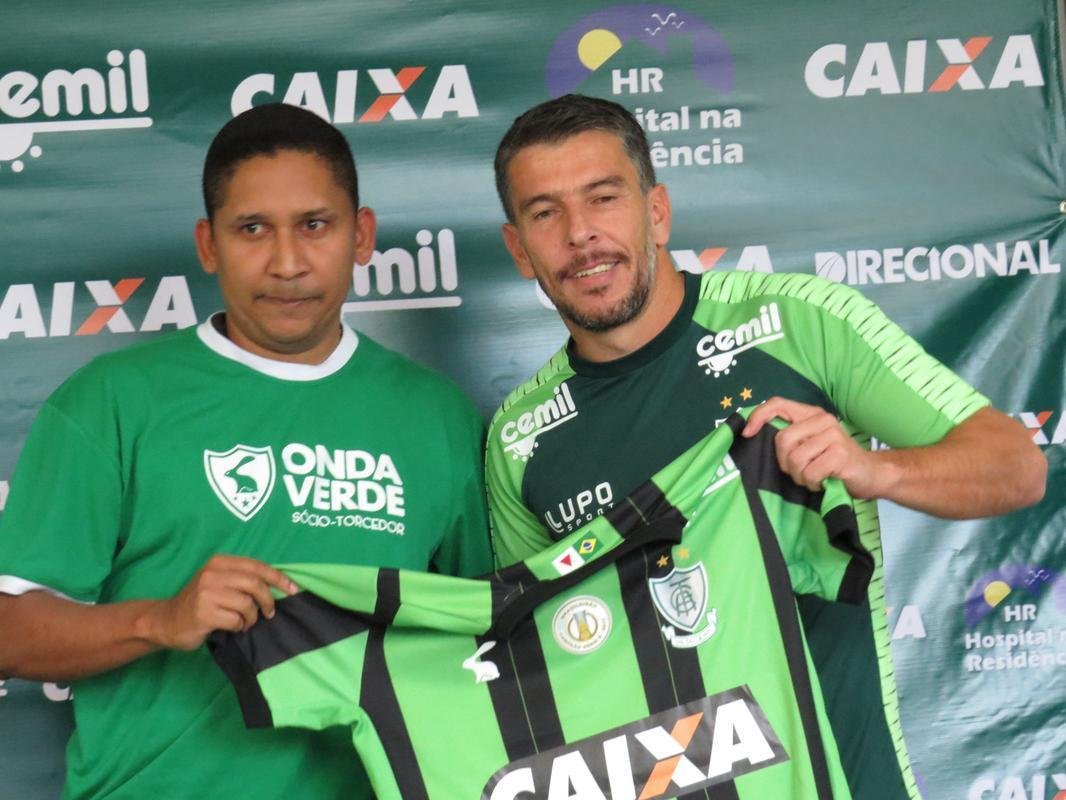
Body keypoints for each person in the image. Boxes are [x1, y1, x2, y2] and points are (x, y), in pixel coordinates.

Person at [485, 94, 1046, 799]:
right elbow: (532, 666)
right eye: (546, 213)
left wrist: (873, 469)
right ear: (518, 247)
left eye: (603, 198)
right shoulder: (519, 437)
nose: (581, 235)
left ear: (656, 211)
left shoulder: (798, 321)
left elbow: (1015, 466)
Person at [0, 103, 491, 800]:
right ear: (208, 244)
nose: (287, 262)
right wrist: (162, 619)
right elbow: (10, 632)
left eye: (315, 226)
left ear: (362, 235)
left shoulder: (437, 416)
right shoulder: (110, 402)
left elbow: (481, 640)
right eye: (252, 229)